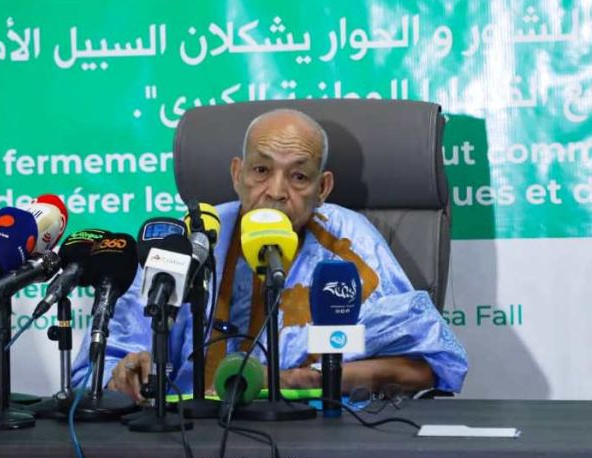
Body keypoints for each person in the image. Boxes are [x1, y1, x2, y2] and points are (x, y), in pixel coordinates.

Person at [71, 108, 468, 401]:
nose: (276, 192)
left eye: (298, 176)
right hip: (189, 437)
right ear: (237, 174)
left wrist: (298, 380)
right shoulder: (194, 237)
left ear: (323, 188)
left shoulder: (347, 242)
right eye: (261, 170)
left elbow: (423, 367)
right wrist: (122, 373)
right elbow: (98, 367)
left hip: (316, 437)